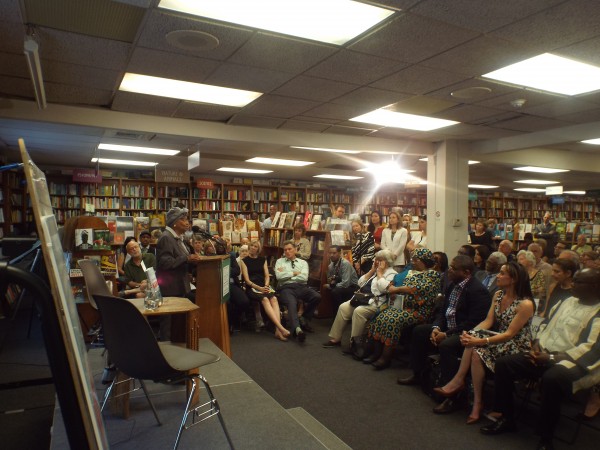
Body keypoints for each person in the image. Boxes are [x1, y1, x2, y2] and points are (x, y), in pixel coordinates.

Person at [480, 269, 600, 450]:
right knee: (504, 364)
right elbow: (545, 324)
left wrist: (551, 357)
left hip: (575, 363)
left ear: (595, 287)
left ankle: (546, 438)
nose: (573, 284)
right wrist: (536, 344)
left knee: (553, 378)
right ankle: (507, 418)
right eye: (574, 280)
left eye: (579, 282)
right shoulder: (566, 301)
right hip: (543, 353)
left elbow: (591, 350)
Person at [434, 262, 535, 424]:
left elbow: (509, 334)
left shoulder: (525, 304)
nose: (498, 276)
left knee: (475, 348)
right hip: (497, 338)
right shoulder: (499, 295)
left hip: (516, 345)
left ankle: (462, 385)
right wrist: (471, 333)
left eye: (502, 273)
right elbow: (488, 321)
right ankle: (475, 400)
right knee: (473, 345)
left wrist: (480, 339)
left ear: (514, 279)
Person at [398, 255, 491, 417]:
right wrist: (436, 327)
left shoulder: (478, 291)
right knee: (420, 331)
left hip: (465, 332)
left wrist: (446, 334)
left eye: (454, 268)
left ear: (467, 272)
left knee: (447, 345)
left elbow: (473, 323)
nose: (449, 270)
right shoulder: (451, 285)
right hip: (447, 327)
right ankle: (417, 373)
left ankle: (453, 397)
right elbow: (443, 311)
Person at [366, 248, 441, 370]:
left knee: (392, 320)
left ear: (424, 261)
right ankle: (376, 353)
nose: (412, 262)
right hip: (401, 307)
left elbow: (419, 289)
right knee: (381, 316)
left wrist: (401, 289)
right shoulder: (411, 272)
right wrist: (402, 289)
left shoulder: (433, 274)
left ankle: (385, 358)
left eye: (415, 259)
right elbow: (397, 287)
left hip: (418, 311)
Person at [322, 250, 396, 352]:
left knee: (359, 311)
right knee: (343, 307)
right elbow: (360, 283)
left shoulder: (392, 274)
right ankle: (336, 338)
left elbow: (384, 288)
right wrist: (372, 271)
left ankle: (355, 343)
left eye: (379, 260)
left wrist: (379, 274)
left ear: (386, 262)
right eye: (376, 259)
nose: (375, 261)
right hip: (363, 298)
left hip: (377, 303)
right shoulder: (375, 271)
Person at [241, 240, 290, 341]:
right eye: (251, 246)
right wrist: (259, 288)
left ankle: (277, 330)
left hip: (264, 285)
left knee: (274, 299)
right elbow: (247, 280)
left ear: (258, 249)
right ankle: (281, 328)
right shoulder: (244, 261)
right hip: (252, 287)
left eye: (255, 246)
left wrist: (266, 285)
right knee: (265, 300)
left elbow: (267, 275)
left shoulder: (262, 259)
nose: (252, 248)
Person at [275, 240, 321, 342]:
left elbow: (304, 278)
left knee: (316, 296)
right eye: (285, 250)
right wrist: (294, 273)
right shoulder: (279, 261)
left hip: (301, 287)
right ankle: (297, 329)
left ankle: (304, 318)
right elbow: (279, 277)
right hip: (286, 288)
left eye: (290, 249)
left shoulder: (303, 262)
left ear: (295, 250)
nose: (287, 251)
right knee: (292, 303)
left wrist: (287, 273)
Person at [156, 207, 201, 299]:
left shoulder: (180, 238)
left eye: (187, 219)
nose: (187, 222)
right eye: (183, 219)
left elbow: (181, 261)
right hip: (171, 289)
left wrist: (192, 262)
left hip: (180, 287)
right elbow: (165, 263)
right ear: (174, 223)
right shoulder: (166, 237)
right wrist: (187, 258)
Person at [324, 245, 359, 312]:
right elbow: (331, 279)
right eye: (330, 253)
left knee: (335, 291)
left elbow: (345, 283)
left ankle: (338, 315)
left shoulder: (345, 264)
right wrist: (330, 282)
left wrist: (330, 286)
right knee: (331, 290)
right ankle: (334, 315)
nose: (331, 255)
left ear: (340, 253)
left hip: (352, 287)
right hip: (341, 285)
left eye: (334, 253)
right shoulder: (331, 265)